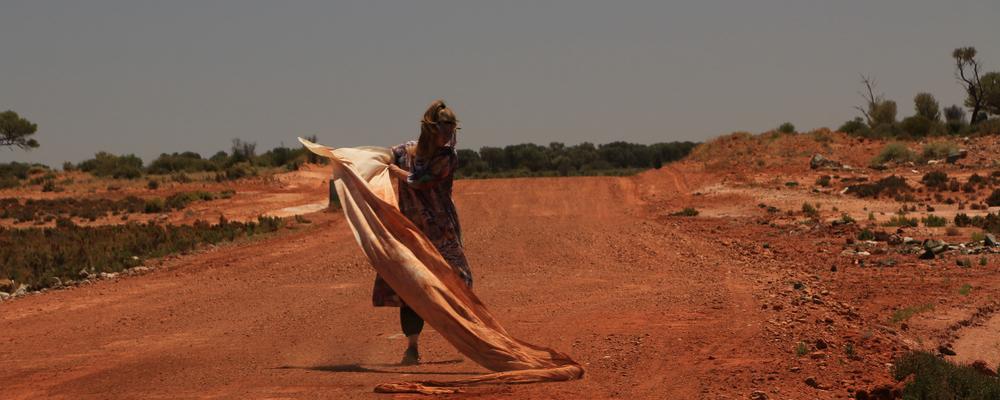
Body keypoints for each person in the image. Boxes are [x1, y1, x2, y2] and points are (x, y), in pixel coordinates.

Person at [375, 99, 473, 365]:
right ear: (431, 129)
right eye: (444, 131)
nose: (448, 137)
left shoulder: (447, 157)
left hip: (441, 230)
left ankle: (470, 340)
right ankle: (412, 347)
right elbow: (385, 155)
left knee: (457, 282)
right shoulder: (405, 151)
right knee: (410, 289)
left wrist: (394, 169)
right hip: (409, 229)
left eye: (451, 132)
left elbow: (420, 182)